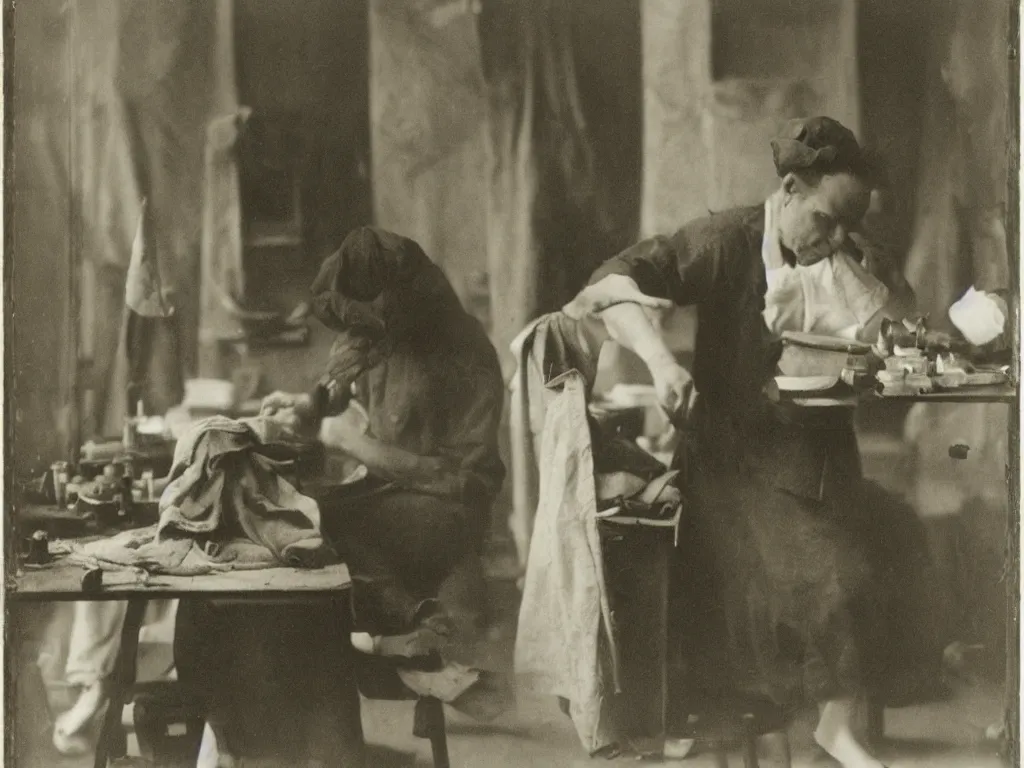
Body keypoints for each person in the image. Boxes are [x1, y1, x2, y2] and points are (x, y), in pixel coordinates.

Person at [575, 116, 938, 768]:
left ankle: (831, 728)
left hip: (822, 461)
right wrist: (660, 361)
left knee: (894, 547)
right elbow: (609, 287)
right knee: (819, 576)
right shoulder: (726, 241)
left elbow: (906, 341)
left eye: (849, 227)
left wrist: (881, 353)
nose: (833, 242)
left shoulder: (854, 256)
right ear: (792, 189)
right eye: (825, 221)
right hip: (730, 468)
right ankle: (796, 733)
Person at [263, 226, 506, 652]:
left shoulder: (466, 352)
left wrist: (355, 444)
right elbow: (344, 377)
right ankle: (355, 649)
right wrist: (308, 406)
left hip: (448, 507)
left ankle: (416, 628)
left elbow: (466, 480)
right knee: (295, 517)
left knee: (327, 531)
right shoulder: (380, 332)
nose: (365, 329)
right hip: (385, 488)